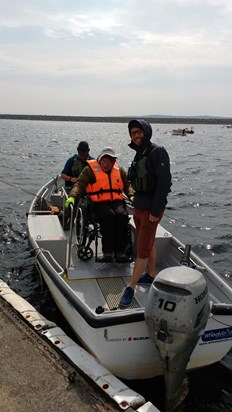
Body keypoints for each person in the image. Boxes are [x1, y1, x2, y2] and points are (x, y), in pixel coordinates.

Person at [119, 119, 172, 307]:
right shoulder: (139, 154)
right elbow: (134, 179)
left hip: (151, 209)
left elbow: (164, 183)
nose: (135, 135)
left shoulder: (158, 152)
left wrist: (156, 210)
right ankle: (151, 274)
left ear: (146, 132)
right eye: (132, 133)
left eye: (138, 132)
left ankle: (130, 287)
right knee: (148, 242)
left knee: (141, 248)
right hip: (139, 206)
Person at [65, 147, 134, 262]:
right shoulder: (89, 170)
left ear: (113, 162)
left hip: (116, 201)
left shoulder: (119, 170)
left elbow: (127, 185)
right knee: (109, 216)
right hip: (98, 203)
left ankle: (120, 252)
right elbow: (79, 185)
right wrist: (72, 196)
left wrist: (131, 195)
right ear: (100, 159)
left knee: (122, 216)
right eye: (104, 161)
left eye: (109, 161)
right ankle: (108, 253)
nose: (106, 164)